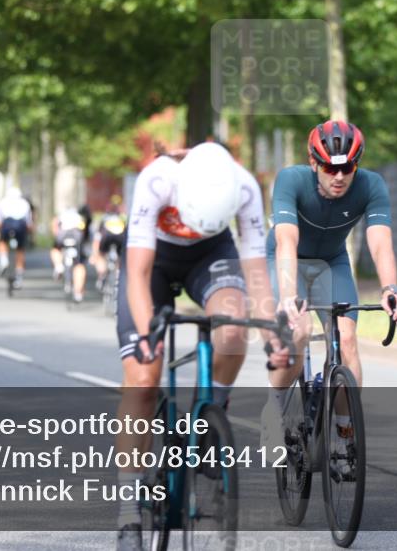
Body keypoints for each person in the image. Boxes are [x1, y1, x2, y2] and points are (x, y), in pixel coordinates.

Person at [113, 142, 288, 551]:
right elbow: (137, 273)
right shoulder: (157, 180)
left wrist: (271, 335)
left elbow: (255, 273)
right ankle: (128, 512)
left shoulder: (244, 187)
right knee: (143, 378)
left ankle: (213, 412)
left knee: (232, 329)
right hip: (154, 259)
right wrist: (147, 336)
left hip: (211, 255)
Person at [263, 120, 397, 453]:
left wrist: (391, 288)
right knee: (298, 332)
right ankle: (274, 409)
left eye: (348, 168)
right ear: (313, 162)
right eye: (330, 168)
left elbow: (381, 244)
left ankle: (344, 436)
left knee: (347, 340)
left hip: (331, 262)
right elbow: (286, 240)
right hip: (287, 260)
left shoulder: (372, 186)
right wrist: (288, 297)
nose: (339, 176)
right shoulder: (291, 179)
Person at [0, 186, 34, 289]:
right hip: (20, 227)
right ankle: (19, 277)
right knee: (20, 251)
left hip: (7, 226)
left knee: (2, 242)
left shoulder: (2, 202)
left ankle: (3, 260)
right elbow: (29, 223)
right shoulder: (25, 203)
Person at [49, 204, 89, 301]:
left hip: (62, 236)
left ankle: (58, 266)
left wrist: (56, 236)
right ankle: (78, 292)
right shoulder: (79, 217)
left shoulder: (61, 216)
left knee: (55, 249)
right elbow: (84, 231)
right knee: (79, 265)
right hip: (77, 238)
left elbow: (55, 227)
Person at [89, 195, 126, 289]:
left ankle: (102, 276)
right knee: (121, 256)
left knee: (100, 255)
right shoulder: (123, 218)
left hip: (106, 237)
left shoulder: (104, 217)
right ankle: (118, 275)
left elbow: (97, 237)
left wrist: (94, 254)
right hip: (120, 238)